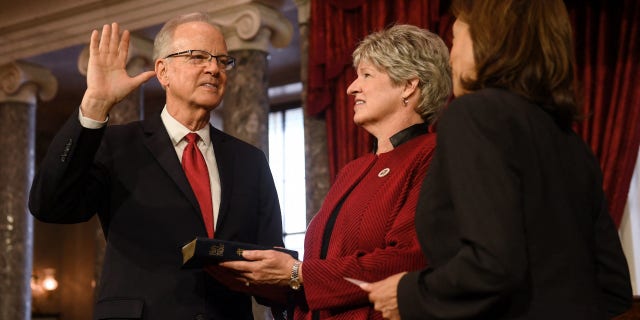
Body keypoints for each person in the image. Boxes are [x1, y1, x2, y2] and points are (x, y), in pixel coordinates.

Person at [362, 1, 634, 319]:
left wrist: (407, 293)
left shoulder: (475, 115)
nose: (451, 58)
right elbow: (614, 289)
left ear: (487, 40)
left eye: (455, 40)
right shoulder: (571, 142)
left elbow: (492, 263)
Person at [28, 12, 285, 319]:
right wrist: (95, 102)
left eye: (222, 60)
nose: (214, 68)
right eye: (198, 56)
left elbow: (273, 261)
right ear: (163, 71)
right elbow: (49, 205)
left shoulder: (249, 161)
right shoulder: (117, 145)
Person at [219, 24, 452, 319]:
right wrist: (266, 278)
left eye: (366, 75)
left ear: (408, 85)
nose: (352, 87)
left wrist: (296, 272)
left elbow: (406, 260)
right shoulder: (353, 170)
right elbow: (320, 277)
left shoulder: (433, 154)